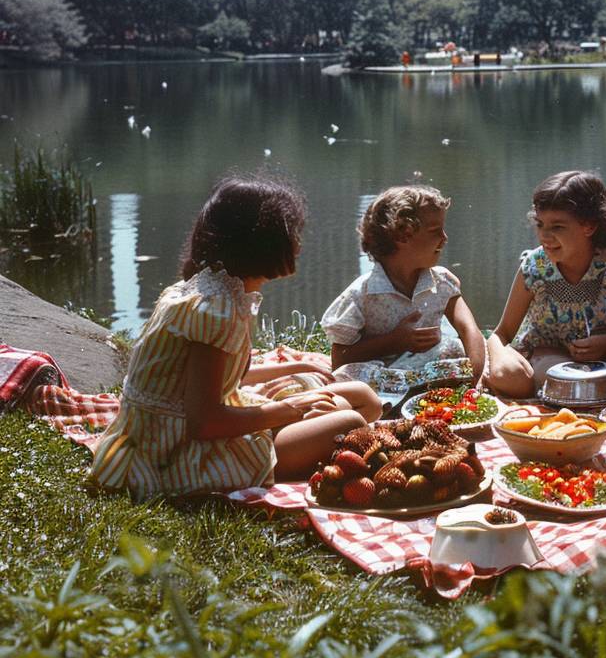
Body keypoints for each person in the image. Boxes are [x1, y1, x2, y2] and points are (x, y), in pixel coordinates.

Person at [89, 176, 381, 499]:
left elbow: (220, 379)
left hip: (195, 425)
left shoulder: (219, 289)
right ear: (262, 241)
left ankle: (310, 437)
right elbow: (205, 422)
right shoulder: (216, 309)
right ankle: (288, 454)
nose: (299, 241)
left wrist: (292, 368)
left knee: (362, 396)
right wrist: (290, 409)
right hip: (177, 452)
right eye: (292, 231)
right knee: (350, 421)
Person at [487, 170, 606, 398]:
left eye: (557, 227)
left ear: (589, 226)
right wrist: (498, 362)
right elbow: (502, 333)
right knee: (541, 380)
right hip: (549, 355)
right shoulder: (534, 267)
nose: (544, 237)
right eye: (540, 225)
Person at [321, 185, 487, 394]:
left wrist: (476, 379)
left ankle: (428, 395)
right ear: (402, 236)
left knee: (453, 348)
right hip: (380, 382)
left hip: (427, 374)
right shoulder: (361, 295)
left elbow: (469, 330)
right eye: (436, 231)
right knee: (346, 375)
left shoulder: (442, 281)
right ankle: (394, 401)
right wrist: (395, 342)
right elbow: (340, 359)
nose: (444, 238)